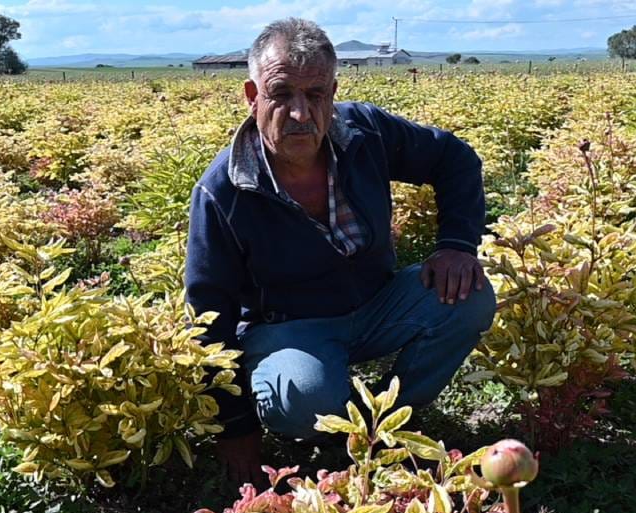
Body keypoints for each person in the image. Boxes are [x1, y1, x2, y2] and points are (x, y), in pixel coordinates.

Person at [186, 17, 497, 487]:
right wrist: (235, 428)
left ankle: (389, 424)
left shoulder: (363, 132)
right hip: (288, 328)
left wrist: (456, 245)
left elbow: (453, 158)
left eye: (315, 95)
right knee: (302, 399)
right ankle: (331, 416)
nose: (300, 113)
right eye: (281, 94)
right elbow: (209, 313)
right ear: (252, 98)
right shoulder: (224, 191)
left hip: (376, 303)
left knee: (468, 297)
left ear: (333, 93)